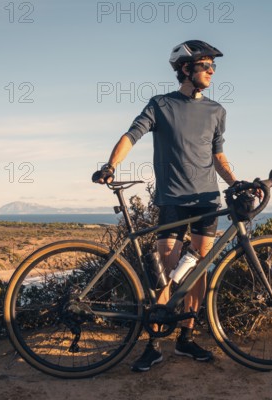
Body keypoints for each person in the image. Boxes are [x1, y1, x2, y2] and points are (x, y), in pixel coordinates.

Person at [93, 40, 238, 372]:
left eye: (214, 66)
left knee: (199, 268)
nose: (212, 71)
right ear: (186, 69)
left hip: (206, 201)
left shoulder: (217, 111)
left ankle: (186, 339)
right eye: (206, 66)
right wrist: (110, 165)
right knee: (167, 274)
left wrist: (236, 182)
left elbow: (219, 157)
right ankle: (155, 342)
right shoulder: (160, 105)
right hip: (171, 200)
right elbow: (131, 135)